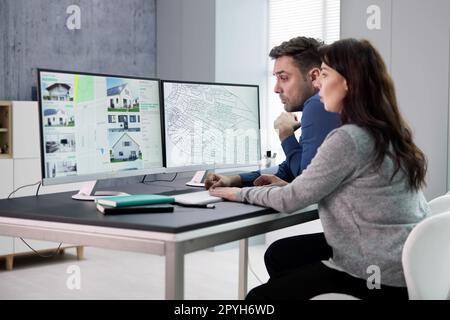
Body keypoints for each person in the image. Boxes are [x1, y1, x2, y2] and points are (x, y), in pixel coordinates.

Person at [209, 38, 430, 300]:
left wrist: (236, 194)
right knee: (282, 255)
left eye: (324, 75)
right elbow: (309, 179)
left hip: (375, 275)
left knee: (258, 299)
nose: (317, 83)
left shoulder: (349, 137)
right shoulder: (389, 131)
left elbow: (292, 199)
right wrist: (251, 182)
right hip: (408, 265)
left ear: (347, 82)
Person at [205, 37, 340, 189]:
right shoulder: (323, 105)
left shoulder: (317, 105)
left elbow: (306, 182)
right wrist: (235, 179)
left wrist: (285, 134)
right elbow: (289, 169)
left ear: (314, 76)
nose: (276, 89)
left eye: (284, 78)